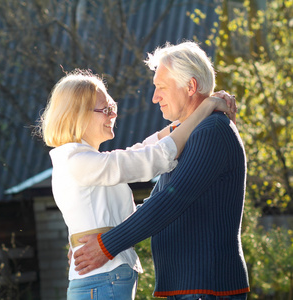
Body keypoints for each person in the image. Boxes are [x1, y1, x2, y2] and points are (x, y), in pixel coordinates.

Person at [38, 68, 235, 300]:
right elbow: (150, 159)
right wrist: (204, 110)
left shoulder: (84, 159)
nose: (113, 115)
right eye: (106, 109)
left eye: (114, 108)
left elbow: (138, 152)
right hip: (102, 279)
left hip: (104, 278)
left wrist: (181, 123)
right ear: (78, 114)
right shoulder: (77, 161)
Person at [73, 41, 250, 300]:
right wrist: (91, 240)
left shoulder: (211, 132)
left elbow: (169, 202)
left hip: (207, 288)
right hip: (192, 287)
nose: (155, 97)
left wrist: (105, 247)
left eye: (161, 87)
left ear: (190, 86)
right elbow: (155, 202)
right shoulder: (192, 134)